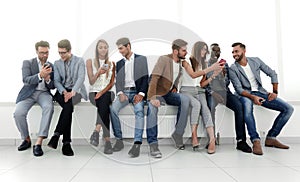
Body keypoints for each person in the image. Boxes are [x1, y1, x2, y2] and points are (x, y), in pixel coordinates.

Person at [147, 39, 213, 158]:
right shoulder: (164, 59)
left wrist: (174, 87)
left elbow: (177, 77)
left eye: (186, 50)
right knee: (152, 109)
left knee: (185, 100)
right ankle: (153, 144)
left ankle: (178, 134)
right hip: (157, 93)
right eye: (183, 50)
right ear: (175, 51)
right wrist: (152, 97)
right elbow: (154, 78)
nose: (186, 53)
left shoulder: (181, 63)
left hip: (168, 93)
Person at [229, 42, 294, 155]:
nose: (234, 54)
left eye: (236, 51)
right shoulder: (233, 68)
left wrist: (275, 92)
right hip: (245, 94)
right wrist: (252, 97)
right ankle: (256, 140)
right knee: (248, 110)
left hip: (260, 92)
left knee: (288, 109)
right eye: (233, 52)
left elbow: (272, 73)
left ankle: (271, 137)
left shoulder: (256, 61)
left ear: (244, 51)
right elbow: (239, 89)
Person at [206, 43, 252, 153]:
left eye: (218, 51)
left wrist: (222, 75)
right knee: (210, 108)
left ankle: (241, 141)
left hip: (225, 92)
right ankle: (211, 140)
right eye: (214, 50)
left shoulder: (224, 64)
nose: (216, 53)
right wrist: (213, 93)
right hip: (211, 93)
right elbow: (204, 84)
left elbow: (227, 83)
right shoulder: (206, 65)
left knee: (239, 106)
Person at [179, 41, 222, 154]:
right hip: (186, 90)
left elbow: (202, 84)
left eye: (206, 50)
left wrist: (213, 75)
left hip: (199, 90)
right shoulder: (186, 61)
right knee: (196, 105)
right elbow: (193, 75)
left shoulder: (204, 64)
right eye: (203, 49)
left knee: (206, 109)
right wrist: (210, 68)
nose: (205, 52)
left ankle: (212, 140)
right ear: (197, 50)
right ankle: (194, 137)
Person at [13, 40, 55, 157]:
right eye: (42, 53)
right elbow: (26, 80)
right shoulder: (28, 63)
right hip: (29, 93)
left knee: (49, 107)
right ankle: (26, 139)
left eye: (47, 52)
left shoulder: (51, 65)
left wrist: (48, 80)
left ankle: (39, 142)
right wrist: (39, 75)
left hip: (44, 93)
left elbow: (52, 86)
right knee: (18, 113)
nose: (44, 55)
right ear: (37, 51)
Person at [47, 39, 88, 156]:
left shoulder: (79, 61)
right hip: (62, 91)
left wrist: (73, 92)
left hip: (76, 91)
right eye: (59, 52)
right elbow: (57, 81)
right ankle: (66, 144)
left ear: (70, 51)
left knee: (68, 106)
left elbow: (81, 78)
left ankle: (56, 135)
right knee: (68, 108)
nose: (61, 55)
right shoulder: (57, 63)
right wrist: (64, 92)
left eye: (64, 52)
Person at [110, 37, 149, 158]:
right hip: (125, 93)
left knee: (139, 111)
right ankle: (119, 140)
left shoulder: (141, 59)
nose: (120, 51)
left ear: (128, 46)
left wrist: (141, 94)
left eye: (121, 48)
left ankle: (137, 144)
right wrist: (120, 92)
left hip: (137, 92)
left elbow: (145, 79)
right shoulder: (119, 63)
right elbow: (118, 82)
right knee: (113, 109)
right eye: (118, 49)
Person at [86, 39, 115, 154]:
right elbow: (91, 81)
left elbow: (111, 83)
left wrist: (102, 92)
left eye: (105, 47)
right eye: (100, 47)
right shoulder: (90, 62)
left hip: (107, 92)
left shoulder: (112, 63)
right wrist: (98, 72)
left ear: (108, 49)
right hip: (94, 92)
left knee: (104, 100)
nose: (103, 49)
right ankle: (107, 142)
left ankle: (96, 131)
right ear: (97, 49)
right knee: (104, 107)